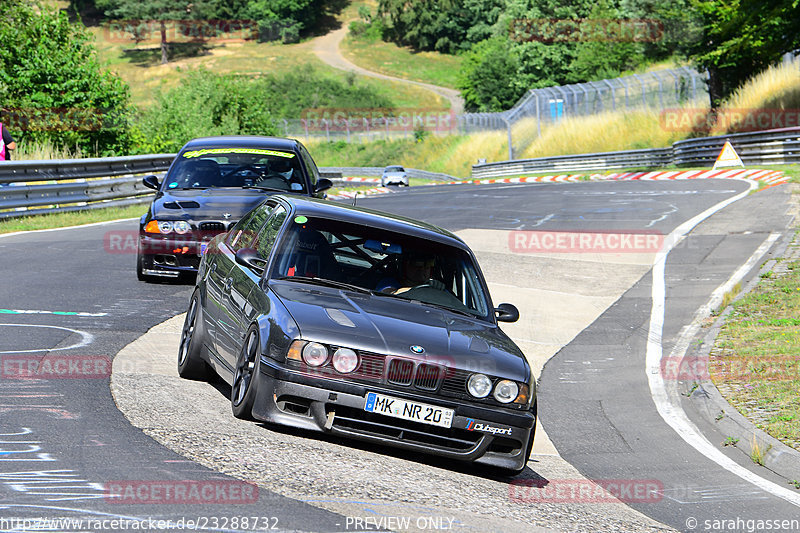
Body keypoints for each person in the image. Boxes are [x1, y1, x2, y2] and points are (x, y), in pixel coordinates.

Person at [377, 252, 445, 294]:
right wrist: (417, 289)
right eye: (417, 264)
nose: (422, 269)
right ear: (404, 266)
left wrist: (438, 290)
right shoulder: (389, 282)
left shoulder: (435, 288)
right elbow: (385, 293)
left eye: (428, 265)